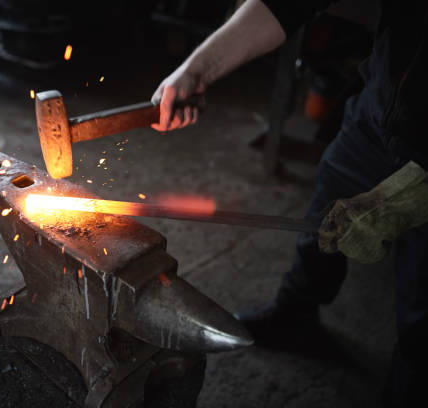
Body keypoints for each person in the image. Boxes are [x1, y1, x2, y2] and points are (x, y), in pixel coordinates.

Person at [151, 0, 428, 406]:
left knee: (421, 309)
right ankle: (297, 312)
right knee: (326, 207)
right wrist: (197, 68)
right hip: (378, 111)